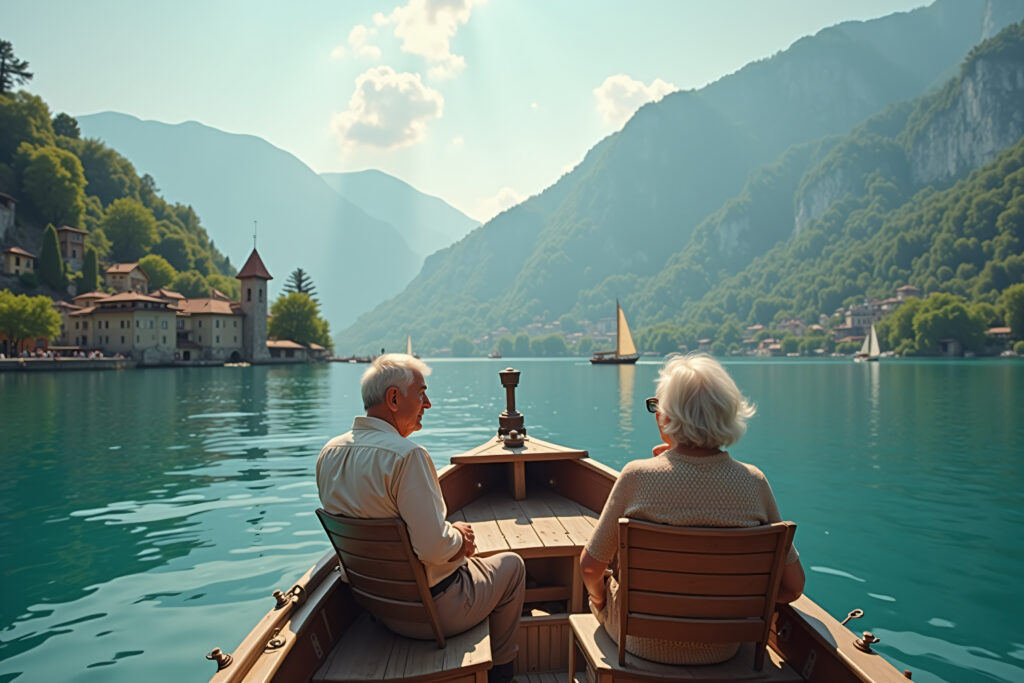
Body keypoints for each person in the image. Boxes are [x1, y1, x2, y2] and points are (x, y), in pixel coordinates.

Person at [579, 353, 805, 666]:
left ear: (668, 416)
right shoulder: (754, 483)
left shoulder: (637, 477)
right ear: (726, 414)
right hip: (723, 648)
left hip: (637, 642)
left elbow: (590, 568)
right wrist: (742, 604)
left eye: (657, 407)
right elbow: (794, 586)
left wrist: (600, 600)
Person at [316, 354, 525, 683]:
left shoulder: (329, 454)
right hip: (431, 613)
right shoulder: (407, 457)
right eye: (422, 393)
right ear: (394, 398)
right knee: (513, 566)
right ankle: (502, 674)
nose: (427, 403)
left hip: (377, 609)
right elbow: (432, 549)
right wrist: (458, 536)